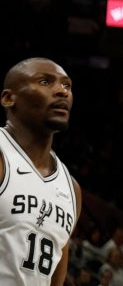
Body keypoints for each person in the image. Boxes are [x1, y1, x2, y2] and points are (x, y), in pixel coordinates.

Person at [0, 57, 82, 286]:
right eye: (45, 82)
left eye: (67, 85)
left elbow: (56, 277)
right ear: (9, 98)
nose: (62, 92)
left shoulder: (71, 188)